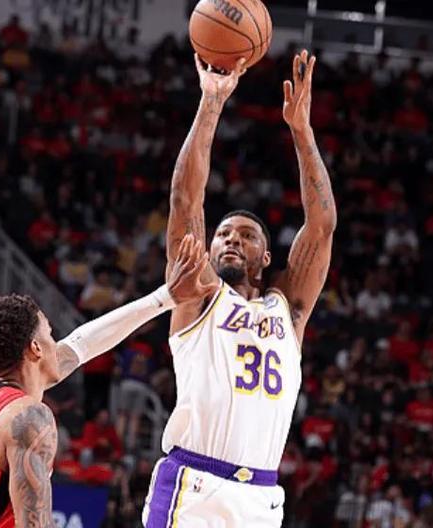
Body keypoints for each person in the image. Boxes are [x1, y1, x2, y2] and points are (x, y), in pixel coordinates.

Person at [142, 50, 337, 527]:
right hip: (193, 484)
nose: (231, 239)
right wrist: (211, 102)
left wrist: (302, 131)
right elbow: (185, 199)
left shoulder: (288, 308)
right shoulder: (198, 292)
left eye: (246, 235)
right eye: (223, 233)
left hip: (261, 497)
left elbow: (322, 224)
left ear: (266, 258)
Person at [0, 234, 212, 528]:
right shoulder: (28, 417)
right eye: (50, 334)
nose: (57, 343)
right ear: (36, 348)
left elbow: (82, 345)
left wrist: (166, 298)